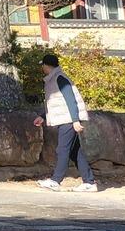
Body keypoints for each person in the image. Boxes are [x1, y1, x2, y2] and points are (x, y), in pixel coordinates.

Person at [34, 53, 97, 192]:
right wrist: (43, 117)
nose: (42, 68)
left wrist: (75, 120)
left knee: (62, 149)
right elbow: (57, 103)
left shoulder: (60, 78)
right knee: (75, 152)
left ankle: (56, 180)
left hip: (68, 120)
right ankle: (89, 182)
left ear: (46, 65)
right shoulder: (54, 79)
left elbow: (70, 100)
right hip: (67, 119)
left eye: (42, 65)